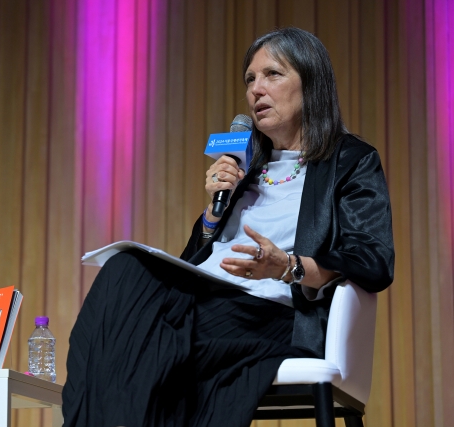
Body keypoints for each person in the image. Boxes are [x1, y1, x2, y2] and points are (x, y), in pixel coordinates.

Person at [62, 27, 394, 427]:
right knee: (122, 274)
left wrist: (286, 266)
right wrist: (213, 216)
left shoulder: (351, 161)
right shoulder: (245, 164)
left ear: (311, 84)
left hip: (267, 315)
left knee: (136, 336)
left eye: (272, 74)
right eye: (250, 79)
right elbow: (196, 258)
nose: (256, 90)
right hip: (202, 300)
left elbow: (373, 260)